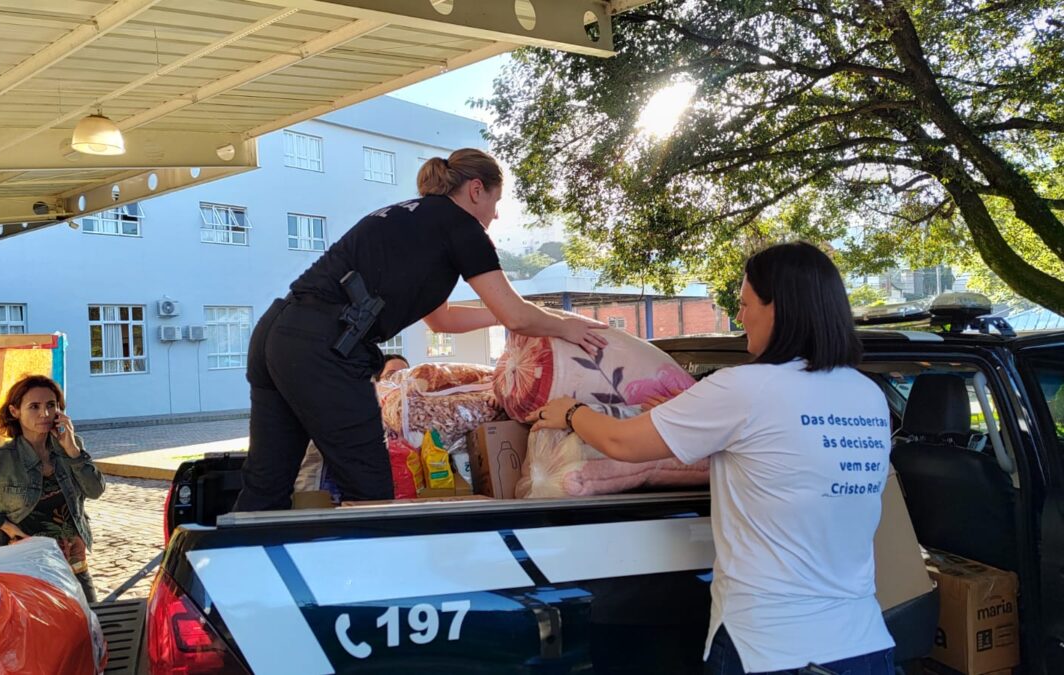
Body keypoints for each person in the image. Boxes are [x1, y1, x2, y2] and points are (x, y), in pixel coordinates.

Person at [529, 242, 895, 675]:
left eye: (743, 304)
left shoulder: (746, 388)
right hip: (865, 644)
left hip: (771, 648)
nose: (740, 319)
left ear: (778, 308)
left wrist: (572, 412)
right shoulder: (869, 396)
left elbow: (623, 443)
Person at [235, 148, 607, 512]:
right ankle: (375, 572)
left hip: (277, 333)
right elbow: (517, 314)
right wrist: (566, 326)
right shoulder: (463, 226)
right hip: (325, 347)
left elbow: (442, 320)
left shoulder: (407, 216)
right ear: (477, 189)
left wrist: (499, 315)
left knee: (266, 482)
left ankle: (233, 568)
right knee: (369, 486)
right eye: (497, 200)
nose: (496, 213)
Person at [0, 375, 106, 602]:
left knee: (90, 626)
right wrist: (0, 524)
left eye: (51, 405)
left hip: (74, 565)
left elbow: (95, 490)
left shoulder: (70, 446)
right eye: (34, 406)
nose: (45, 414)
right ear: (14, 411)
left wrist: (72, 451)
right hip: (24, 569)